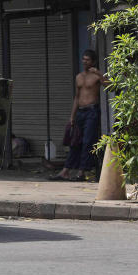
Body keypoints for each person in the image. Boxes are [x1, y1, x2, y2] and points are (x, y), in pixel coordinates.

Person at [51, 49, 107, 181]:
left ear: (93, 61)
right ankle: (66, 171)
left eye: (87, 60)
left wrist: (99, 73)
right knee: (75, 142)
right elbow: (76, 97)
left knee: (88, 142)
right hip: (80, 112)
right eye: (83, 59)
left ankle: (82, 172)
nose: (84, 62)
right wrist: (72, 116)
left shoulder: (96, 76)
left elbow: (111, 86)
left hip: (92, 111)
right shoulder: (79, 76)